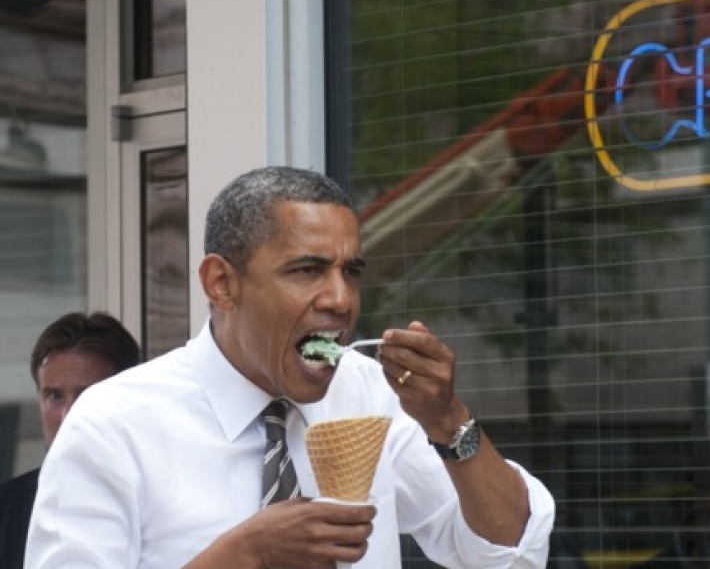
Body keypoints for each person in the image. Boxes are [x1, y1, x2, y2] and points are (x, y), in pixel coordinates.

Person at [26, 166, 555, 568]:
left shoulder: (371, 393)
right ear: (221, 283)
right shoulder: (112, 423)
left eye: (352, 272)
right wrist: (242, 554)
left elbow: (508, 554)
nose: (341, 299)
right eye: (307, 270)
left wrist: (449, 421)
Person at [0, 311, 140, 567]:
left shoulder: (165, 501)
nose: (68, 416)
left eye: (87, 396)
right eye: (54, 396)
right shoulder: (6, 511)